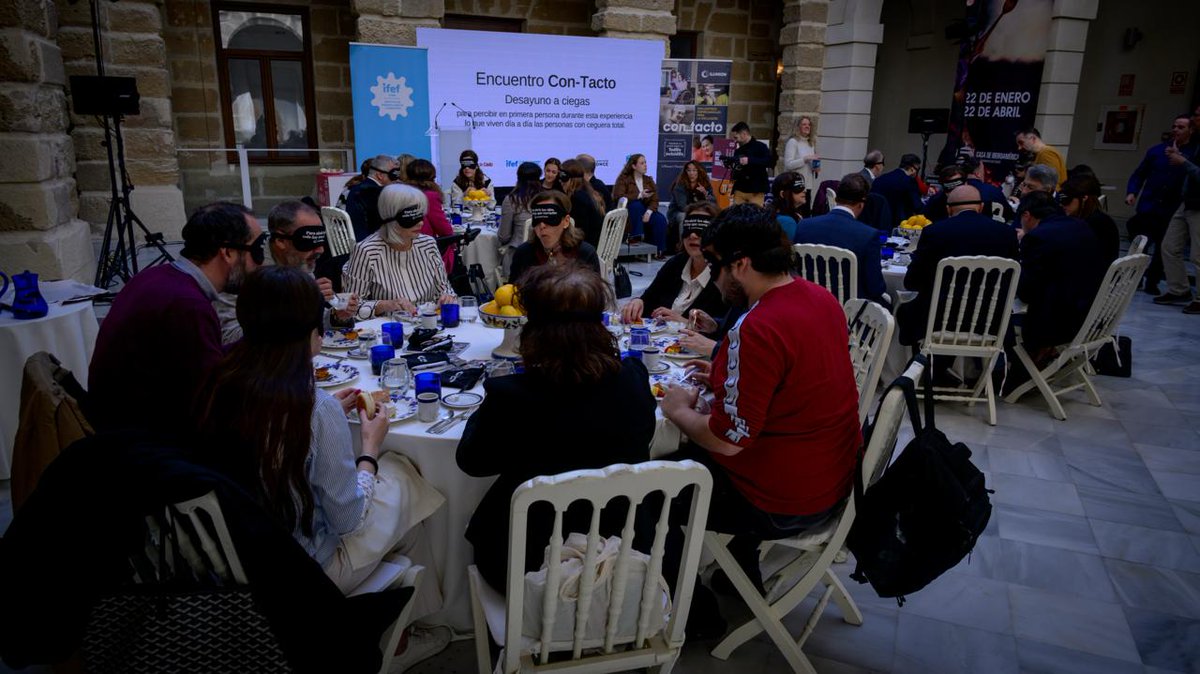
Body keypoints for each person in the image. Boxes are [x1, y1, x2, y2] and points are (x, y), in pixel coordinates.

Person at [195, 265, 450, 669]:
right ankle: (399, 640)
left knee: (398, 490)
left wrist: (333, 415)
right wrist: (369, 448)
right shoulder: (312, 408)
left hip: (233, 559)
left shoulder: (220, 381)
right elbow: (348, 518)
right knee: (403, 472)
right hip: (303, 575)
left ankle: (399, 623)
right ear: (312, 328)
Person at [659, 203, 860, 633]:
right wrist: (721, 382)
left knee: (652, 491)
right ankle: (740, 573)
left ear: (742, 263)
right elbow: (789, 391)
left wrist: (677, 411)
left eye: (716, 264)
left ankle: (695, 617)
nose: (713, 276)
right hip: (833, 478)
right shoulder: (819, 298)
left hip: (784, 500)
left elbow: (728, 441)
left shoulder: (757, 328)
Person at [457, 263, 656, 591]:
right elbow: (643, 435)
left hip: (529, 567)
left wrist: (493, 397)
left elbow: (472, 462)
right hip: (624, 554)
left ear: (534, 329)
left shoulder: (513, 396)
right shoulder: (633, 378)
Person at [89, 202, 263, 436]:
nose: (259, 264)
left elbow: (202, 362)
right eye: (256, 251)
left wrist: (260, 340)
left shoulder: (156, 278)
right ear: (228, 252)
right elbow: (211, 404)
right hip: (144, 445)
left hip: (124, 425)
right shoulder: (186, 306)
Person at [215, 200, 358, 344]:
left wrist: (335, 316)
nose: (320, 250)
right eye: (308, 241)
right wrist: (294, 304)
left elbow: (307, 324)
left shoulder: (299, 260)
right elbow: (229, 336)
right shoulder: (245, 267)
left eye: (321, 240)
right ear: (281, 241)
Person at [898, 185, 1020, 347]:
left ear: (948, 209)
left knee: (904, 310)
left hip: (938, 320)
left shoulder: (935, 232)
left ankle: (921, 365)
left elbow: (912, 282)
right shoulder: (1006, 234)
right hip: (989, 322)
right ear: (981, 207)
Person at [1015, 191, 1108, 355]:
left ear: (1027, 215)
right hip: (1092, 315)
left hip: (1060, 323)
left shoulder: (1037, 237)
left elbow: (1026, 292)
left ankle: (1013, 371)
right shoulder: (1081, 225)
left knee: (1004, 320)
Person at [342, 183, 456, 317]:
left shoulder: (428, 244)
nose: (420, 223)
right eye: (411, 217)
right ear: (391, 219)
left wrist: (447, 298)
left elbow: (445, 289)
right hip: (389, 329)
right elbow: (350, 308)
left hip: (429, 324)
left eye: (421, 216)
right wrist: (385, 305)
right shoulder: (367, 251)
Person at [620, 203, 728, 326]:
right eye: (689, 228)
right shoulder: (676, 264)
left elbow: (724, 331)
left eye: (701, 230)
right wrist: (638, 302)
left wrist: (686, 322)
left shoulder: (724, 277)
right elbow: (649, 298)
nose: (693, 235)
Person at [793, 173, 889, 306]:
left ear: (837, 198)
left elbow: (795, 270)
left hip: (808, 305)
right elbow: (875, 287)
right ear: (861, 204)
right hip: (850, 314)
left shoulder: (804, 226)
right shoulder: (868, 235)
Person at [1127, 114, 1194, 293]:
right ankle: (1135, 279)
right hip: (1149, 205)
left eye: (1181, 127)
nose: (1176, 130)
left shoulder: (1192, 154)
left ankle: (1152, 281)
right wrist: (1132, 192)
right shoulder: (1157, 151)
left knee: (1163, 247)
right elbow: (1140, 173)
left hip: (1172, 208)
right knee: (1141, 244)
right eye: (1174, 126)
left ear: (1190, 130)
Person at [508, 191, 601, 284]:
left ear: (566, 221)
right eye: (537, 219)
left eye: (550, 219)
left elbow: (596, 295)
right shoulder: (524, 254)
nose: (542, 226)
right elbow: (513, 293)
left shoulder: (585, 254)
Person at [1156, 121, 1200, 313]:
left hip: (1199, 204)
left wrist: (1183, 162)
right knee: (1169, 246)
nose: (1195, 119)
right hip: (1187, 201)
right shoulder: (1197, 143)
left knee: (1198, 255)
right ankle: (1179, 289)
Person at [404, 158, 456, 273]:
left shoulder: (402, 193)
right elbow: (443, 229)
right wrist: (454, 243)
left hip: (404, 246)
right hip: (425, 249)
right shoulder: (430, 196)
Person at [614, 153, 670, 257]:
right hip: (629, 211)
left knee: (660, 219)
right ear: (634, 166)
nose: (645, 165)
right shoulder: (623, 180)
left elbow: (655, 199)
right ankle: (635, 236)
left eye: (645, 163)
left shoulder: (649, 180)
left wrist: (649, 212)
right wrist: (639, 195)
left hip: (646, 210)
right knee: (636, 205)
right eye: (642, 163)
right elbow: (618, 196)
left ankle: (659, 250)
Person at [1059, 174, 1120, 264]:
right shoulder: (1096, 219)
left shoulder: (1095, 224)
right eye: (1060, 199)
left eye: (1067, 199)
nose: (1061, 204)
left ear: (1084, 197)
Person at [344, 154, 399, 241]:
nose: (397, 179)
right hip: (369, 242)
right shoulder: (375, 193)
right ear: (380, 175)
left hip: (356, 238)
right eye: (393, 175)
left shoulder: (356, 188)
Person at [667, 161, 717, 248]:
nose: (691, 173)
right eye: (689, 170)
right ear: (685, 172)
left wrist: (706, 194)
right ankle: (683, 247)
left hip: (697, 212)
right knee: (684, 217)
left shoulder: (705, 184)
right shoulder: (680, 185)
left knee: (713, 217)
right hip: (677, 213)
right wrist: (697, 213)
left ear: (699, 172)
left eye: (694, 170)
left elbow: (714, 203)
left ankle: (708, 246)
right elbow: (682, 206)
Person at [560, 158, 606, 247]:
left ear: (571, 178)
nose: (560, 180)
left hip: (585, 248)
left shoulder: (577, 199)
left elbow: (580, 231)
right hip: (592, 244)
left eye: (563, 177)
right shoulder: (587, 192)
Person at [499, 161, 542, 248]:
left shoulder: (512, 200)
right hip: (544, 253)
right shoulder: (548, 198)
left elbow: (504, 237)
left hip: (517, 252)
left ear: (518, 179)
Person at [871, 152, 923, 224]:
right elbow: (917, 206)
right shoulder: (909, 182)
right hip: (898, 225)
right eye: (918, 169)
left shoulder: (879, 179)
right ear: (912, 169)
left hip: (875, 222)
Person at [959, 155, 1014, 222]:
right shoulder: (992, 191)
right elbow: (1008, 214)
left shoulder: (955, 190)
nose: (984, 174)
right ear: (977, 173)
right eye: (983, 171)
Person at [730, 122, 771, 205]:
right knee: (736, 215)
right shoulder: (738, 151)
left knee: (755, 216)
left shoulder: (761, 146)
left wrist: (750, 160)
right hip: (740, 189)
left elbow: (769, 161)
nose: (735, 141)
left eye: (736, 137)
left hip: (756, 189)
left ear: (744, 134)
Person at [782, 116, 819, 195]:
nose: (807, 126)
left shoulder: (810, 143)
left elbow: (809, 165)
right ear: (797, 127)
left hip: (807, 185)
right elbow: (788, 164)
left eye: (809, 125)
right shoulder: (793, 142)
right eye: (804, 124)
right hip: (794, 184)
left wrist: (816, 168)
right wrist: (805, 159)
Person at [770, 171, 807, 241]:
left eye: (803, 187)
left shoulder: (775, 213)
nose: (804, 191)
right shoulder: (787, 221)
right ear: (782, 194)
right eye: (798, 187)